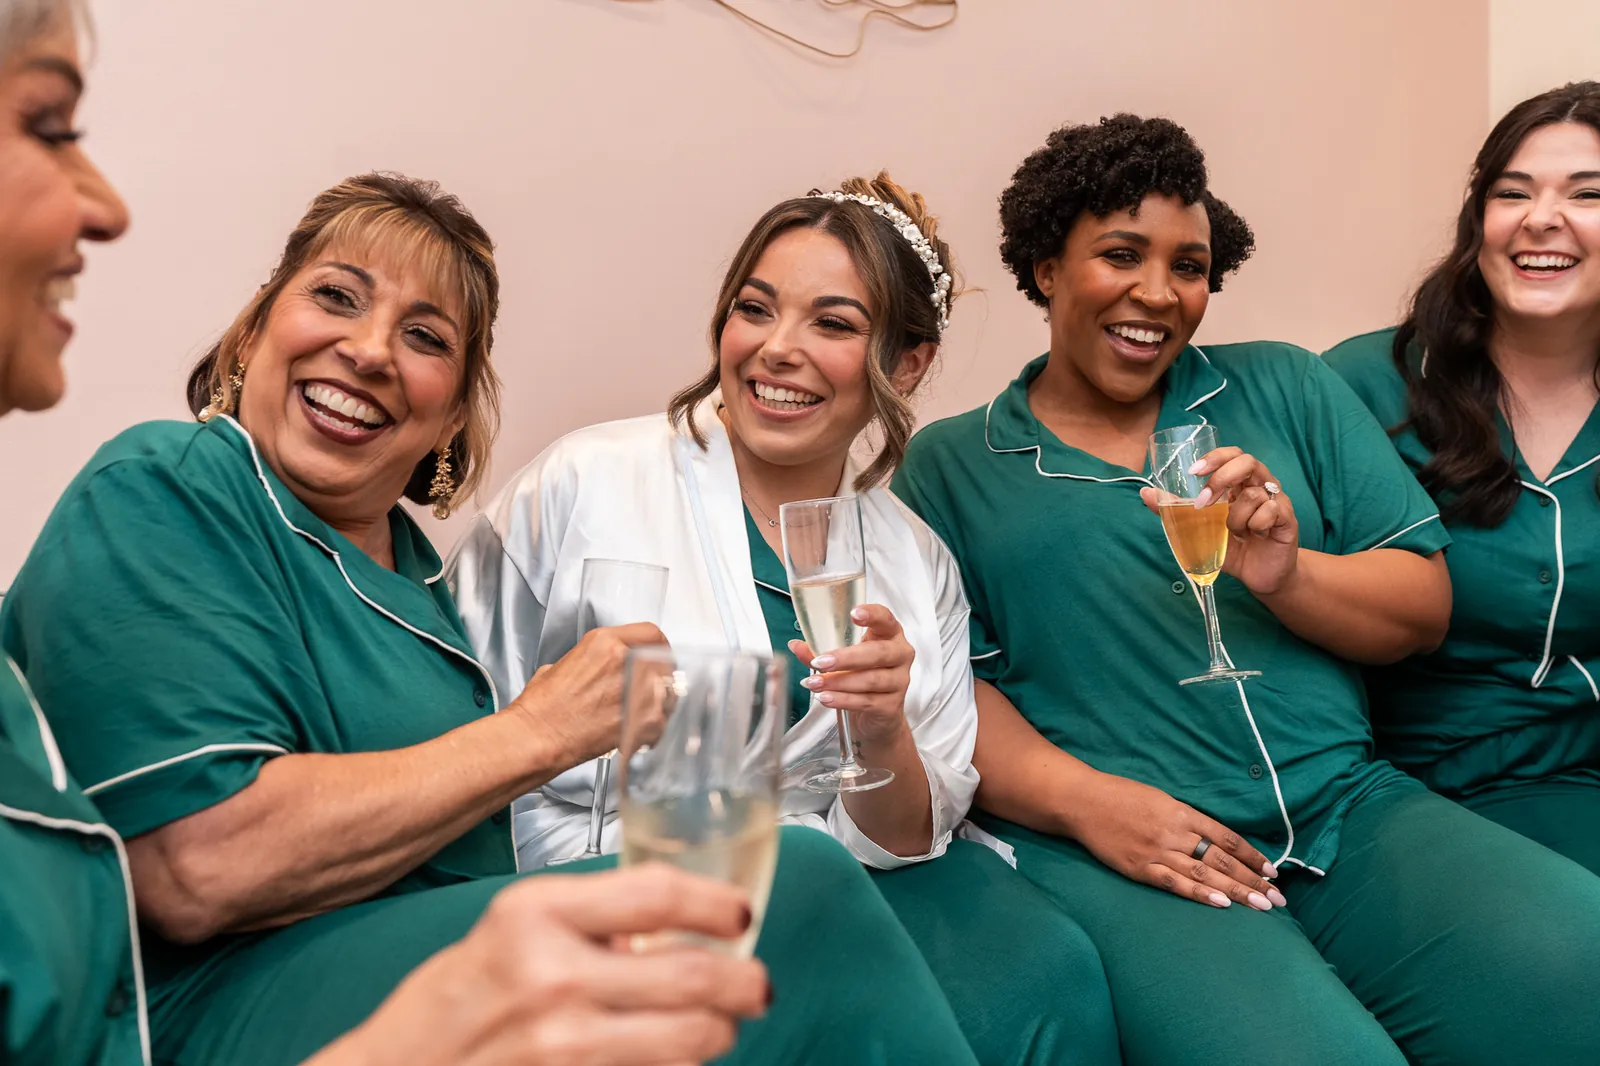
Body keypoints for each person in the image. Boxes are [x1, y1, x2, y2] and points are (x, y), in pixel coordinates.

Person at [1, 135, 978, 1066]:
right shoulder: (172, 484)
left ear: (454, 413)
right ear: (255, 326)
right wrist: (542, 732)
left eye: (425, 337)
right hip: (217, 1004)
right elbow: (196, 869)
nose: (370, 350)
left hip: (441, 957)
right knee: (788, 890)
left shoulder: (420, 585)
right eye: (336, 296)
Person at [893, 113, 1600, 1065]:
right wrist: (1093, 807)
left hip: (1353, 808)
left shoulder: (1286, 387)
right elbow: (953, 694)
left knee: (1581, 967)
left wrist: (1288, 575)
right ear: (1046, 267)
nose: (1158, 292)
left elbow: (1421, 611)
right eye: (1120, 254)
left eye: (1188, 266)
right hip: (1148, 849)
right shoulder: (952, 466)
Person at [446, 173, 1120, 1066]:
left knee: (1048, 973)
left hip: (834, 884)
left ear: (906, 364)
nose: (776, 349)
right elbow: (444, 712)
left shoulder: (915, 560)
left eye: (832, 324)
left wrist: (880, 731)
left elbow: (906, 837)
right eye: (755, 309)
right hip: (603, 883)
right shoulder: (584, 483)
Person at [1323, 80, 1600, 875]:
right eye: (1512, 192)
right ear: (1478, 221)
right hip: (1415, 794)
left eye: (1587, 195)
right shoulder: (1361, 387)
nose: (1541, 217)